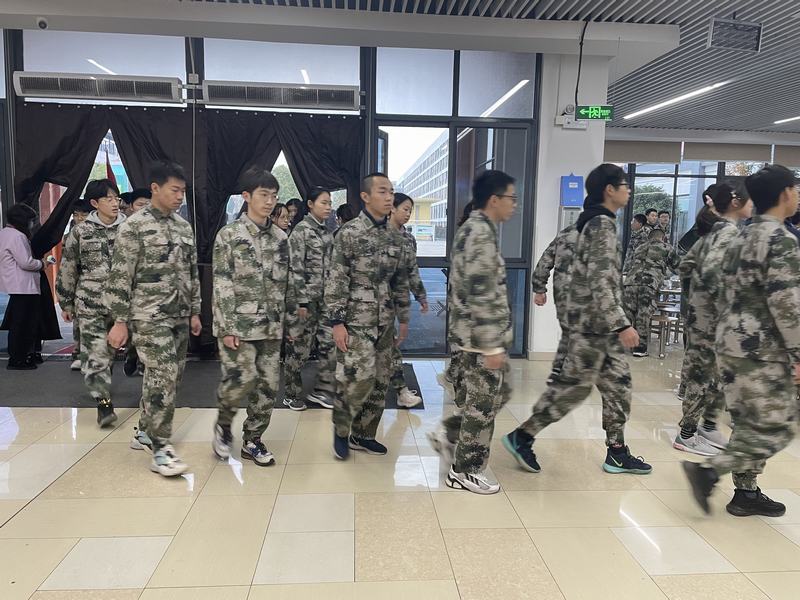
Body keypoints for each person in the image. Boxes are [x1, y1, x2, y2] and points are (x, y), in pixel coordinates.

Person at [503, 163, 652, 476]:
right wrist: (622, 323)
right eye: (624, 185)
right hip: (592, 327)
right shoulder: (602, 225)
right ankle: (523, 436)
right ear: (609, 190)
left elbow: (547, 262)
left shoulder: (579, 227)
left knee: (618, 386)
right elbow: (601, 280)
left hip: (592, 325)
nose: (628, 190)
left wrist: (539, 288)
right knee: (572, 389)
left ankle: (617, 451)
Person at [684, 164, 800, 518]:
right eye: (796, 189)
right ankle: (709, 472)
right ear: (785, 194)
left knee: (749, 423)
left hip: (730, 343)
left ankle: (745, 493)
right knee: (779, 425)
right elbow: (786, 305)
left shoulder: (740, 237)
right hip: (761, 349)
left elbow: (712, 282)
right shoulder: (780, 239)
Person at [105, 161, 202, 477]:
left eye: (183, 191)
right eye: (175, 190)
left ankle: (145, 431)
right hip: (148, 315)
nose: (180, 197)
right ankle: (161, 449)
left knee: (171, 378)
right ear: (156, 188)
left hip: (179, 315)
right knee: (163, 374)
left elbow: (191, 273)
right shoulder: (133, 227)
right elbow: (120, 276)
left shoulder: (183, 227)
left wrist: (195, 310)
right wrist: (120, 321)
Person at [427, 171, 515, 495]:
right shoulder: (479, 233)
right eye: (511, 198)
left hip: (473, 338)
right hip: (479, 342)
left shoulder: (478, 229)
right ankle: (464, 471)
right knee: (482, 406)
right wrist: (491, 345)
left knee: (493, 398)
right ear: (494, 199)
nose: (514, 205)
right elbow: (480, 292)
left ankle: (450, 435)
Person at [211, 167, 292, 466]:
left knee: (268, 387)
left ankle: (253, 439)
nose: (270, 201)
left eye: (274, 196)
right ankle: (223, 426)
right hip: (238, 325)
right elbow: (221, 282)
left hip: (271, 327)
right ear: (246, 196)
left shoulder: (281, 238)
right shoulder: (229, 236)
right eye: (263, 195)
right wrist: (227, 327)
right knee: (240, 381)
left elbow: (287, 283)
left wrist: (290, 323)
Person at [327, 172, 410, 460]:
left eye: (391, 192)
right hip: (356, 322)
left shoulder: (394, 235)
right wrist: (337, 322)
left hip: (385, 321)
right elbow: (337, 278)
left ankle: (363, 434)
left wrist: (404, 317)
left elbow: (399, 279)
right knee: (357, 379)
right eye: (382, 192)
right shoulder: (349, 233)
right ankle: (341, 429)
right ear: (365, 197)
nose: (389, 197)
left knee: (380, 381)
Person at [674, 183, 752, 456]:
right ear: (735, 203)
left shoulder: (715, 232)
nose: (752, 205)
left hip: (704, 319)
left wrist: (694, 300)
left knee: (716, 375)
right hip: (712, 323)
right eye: (749, 201)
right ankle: (686, 434)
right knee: (703, 375)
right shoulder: (728, 233)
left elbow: (685, 266)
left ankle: (707, 426)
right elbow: (710, 273)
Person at [56, 179, 126, 426]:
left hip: (120, 305)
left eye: (117, 198)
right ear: (95, 203)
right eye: (109, 199)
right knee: (95, 352)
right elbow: (68, 267)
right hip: (89, 303)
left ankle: (103, 380)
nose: (115, 203)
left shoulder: (129, 229)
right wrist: (65, 301)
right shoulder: (81, 232)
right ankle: (103, 403)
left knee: (109, 351)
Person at [283, 187, 337, 411]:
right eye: (324, 202)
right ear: (311, 204)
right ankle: (291, 393)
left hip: (325, 300)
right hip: (305, 302)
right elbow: (295, 269)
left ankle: (322, 390)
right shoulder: (301, 232)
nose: (328, 207)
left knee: (329, 344)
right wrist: (301, 302)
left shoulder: (327, 232)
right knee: (300, 349)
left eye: (330, 203)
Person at [675, 184, 719, 400]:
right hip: (701, 305)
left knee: (696, 348)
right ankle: (689, 390)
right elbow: (681, 265)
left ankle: (689, 389)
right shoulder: (702, 232)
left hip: (699, 303)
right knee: (696, 348)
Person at [387, 192, 428, 409]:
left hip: (397, 299)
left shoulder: (409, 238)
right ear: (392, 208)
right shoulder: (379, 234)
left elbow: (412, 270)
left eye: (410, 210)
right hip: (374, 302)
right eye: (405, 209)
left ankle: (401, 390)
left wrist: (420, 295)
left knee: (391, 347)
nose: (408, 214)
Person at [623, 228, 680, 357]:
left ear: (649, 238)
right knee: (642, 315)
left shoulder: (639, 248)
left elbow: (630, 265)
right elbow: (678, 267)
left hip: (630, 282)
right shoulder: (666, 248)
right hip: (649, 284)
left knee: (627, 314)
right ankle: (639, 349)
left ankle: (616, 344)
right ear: (663, 238)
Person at [0, 204, 45, 370]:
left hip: (13, 285)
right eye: (31, 220)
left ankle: (18, 356)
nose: (32, 224)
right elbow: (26, 262)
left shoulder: (4, 233)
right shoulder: (18, 236)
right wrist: (42, 263)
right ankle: (19, 358)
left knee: (17, 324)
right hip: (23, 286)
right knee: (24, 324)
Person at [119, 188, 151, 377]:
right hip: (128, 290)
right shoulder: (124, 229)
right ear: (131, 206)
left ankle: (143, 364)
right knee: (132, 329)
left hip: (149, 292)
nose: (144, 208)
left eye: (148, 204)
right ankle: (131, 354)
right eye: (140, 204)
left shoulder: (160, 228)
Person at [65, 198, 93, 371]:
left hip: (94, 284)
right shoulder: (70, 235)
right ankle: (78, 353)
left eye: (84, 214)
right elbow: (67, 267)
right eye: (76, 214)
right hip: (77, 284)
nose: (79, 218)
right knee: (78, 321)